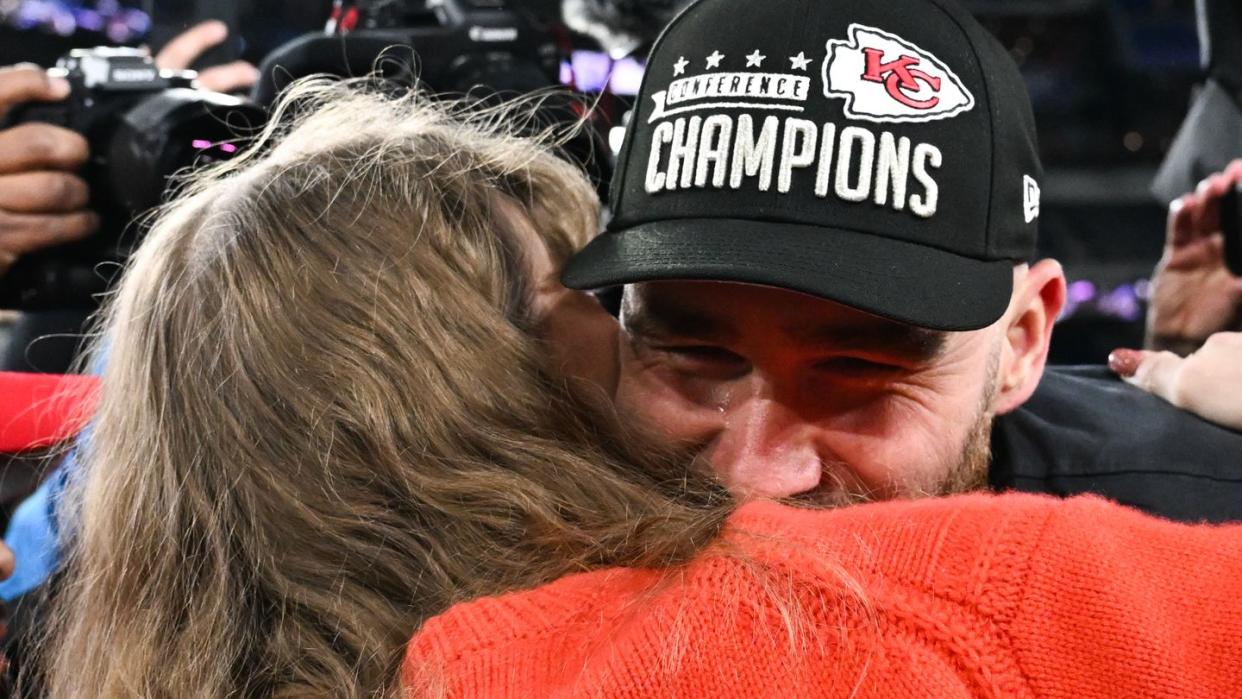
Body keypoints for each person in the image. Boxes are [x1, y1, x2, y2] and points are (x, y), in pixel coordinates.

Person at [29, 80, 1242, 698]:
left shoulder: (104, 626)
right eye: (669, 344)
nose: (761, 459)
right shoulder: (880, 614)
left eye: (864, 363)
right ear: (466, 399)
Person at [34, 80, 732, 697]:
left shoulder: (114, 657)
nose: (615, 323)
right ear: (479, 392)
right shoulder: (733, 640)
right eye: (573, 290)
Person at [553, 0, 1242, 520]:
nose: (752, 478)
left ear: (1023, 343)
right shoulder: (527, 499)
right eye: (690, 350)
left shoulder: (1193, 534)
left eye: (858, 367)